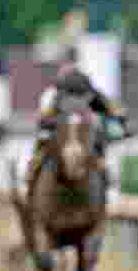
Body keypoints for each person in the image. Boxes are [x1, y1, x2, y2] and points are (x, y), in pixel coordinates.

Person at [25, 60, 130, 193]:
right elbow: (113, 110)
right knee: (95, 141)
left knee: (44, 141)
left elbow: (44, 116)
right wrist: (122, 125)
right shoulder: (83, 93)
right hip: (71, 128)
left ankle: (33, 168)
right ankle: (104, 171)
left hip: (65, 127)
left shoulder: (60, 94)